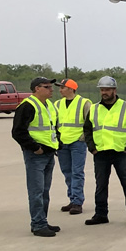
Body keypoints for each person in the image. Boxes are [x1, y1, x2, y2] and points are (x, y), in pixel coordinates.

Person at [83, 76, 126, 226]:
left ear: (114, 90)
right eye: (102, 90)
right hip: (101, 153)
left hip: (120, 153)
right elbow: (87, 130)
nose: (104, 92)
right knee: (101, 185)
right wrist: (92, 148)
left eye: (107, 90)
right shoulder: (94, 108)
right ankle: (101, 214)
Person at [11, 76, 62, 237]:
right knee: (37, 191)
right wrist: (35, 148)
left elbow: (53, 127)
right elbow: (18, 132)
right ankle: (38, 224)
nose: (51, 90)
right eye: (47, 87)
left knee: (45, 191)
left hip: (49, 153)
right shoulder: (27, 106)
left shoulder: (49, 105)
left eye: (51, 87)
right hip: (36, 155)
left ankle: (42, 221)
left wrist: (57, 143)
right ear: (37, 89)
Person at [55, 79, 91, 216]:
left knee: (77, 172)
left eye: (62, 87)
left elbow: (90, 122)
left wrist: (83, 138)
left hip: (77, 142)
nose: (60, 90)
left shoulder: (84, 103)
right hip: (62, 143)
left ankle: (77, 201)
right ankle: (72, 198)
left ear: (71, 89)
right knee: (67, 172)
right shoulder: (58, 104)